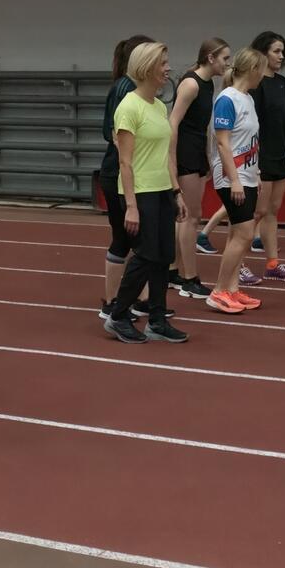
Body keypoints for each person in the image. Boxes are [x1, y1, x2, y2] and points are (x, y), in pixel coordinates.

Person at [103, 42, 188, 343]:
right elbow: (125, 162)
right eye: (162, 63)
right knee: (146, 255)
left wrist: (176, 192)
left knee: (163, 256)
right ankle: (117, 315)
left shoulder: (159, 106)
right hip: (140, 193)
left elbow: (164, 155)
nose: (168, 68)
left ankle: (156, 320)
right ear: (146, 67)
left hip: (162, 189)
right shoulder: (129, 107)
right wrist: (131, 206)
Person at [97, 34, 155, 320]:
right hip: (118, 173)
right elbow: (114, 133)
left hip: (133, 172)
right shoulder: (125, 90)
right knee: (124, 237)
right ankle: (110, 302)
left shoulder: (140, 91)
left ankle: (142, 299)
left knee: (140, 239)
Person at [206, 48, 266, 314]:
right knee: (244, 233)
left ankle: (231, 288)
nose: (263, 75)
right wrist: (235, 181)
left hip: (247, 173)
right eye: (261, 70)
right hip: (232, 175)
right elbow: (222, 142)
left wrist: (256, 173)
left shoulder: (247, 99)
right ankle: (219, 290)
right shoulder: (227, 99)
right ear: (253, 70)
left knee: (237, 233)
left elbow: (250, 139)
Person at [169, 39, 228, 300]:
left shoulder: (208, 84)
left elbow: (202, 125)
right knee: (191, 217)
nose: (227, 64)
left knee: (187, 216)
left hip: (196, 151)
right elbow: (173, 123)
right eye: (225, 58)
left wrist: (207, 155)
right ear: (211, 57)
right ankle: (189, 278)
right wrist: (172, 161)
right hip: (185, 152)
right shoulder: (191, 84)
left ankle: (173, 270)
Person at [248, 30, 285, 281]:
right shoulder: (256, 83)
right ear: (263, 53)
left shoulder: (282, 82)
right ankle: (238, 265)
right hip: (261, 156)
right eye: (276, 51)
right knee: (256, 213)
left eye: (283, 51)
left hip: (279, 154)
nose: (281, 56)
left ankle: (272, 264)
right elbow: (252, 124)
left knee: (272, 212)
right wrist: (255, 161)